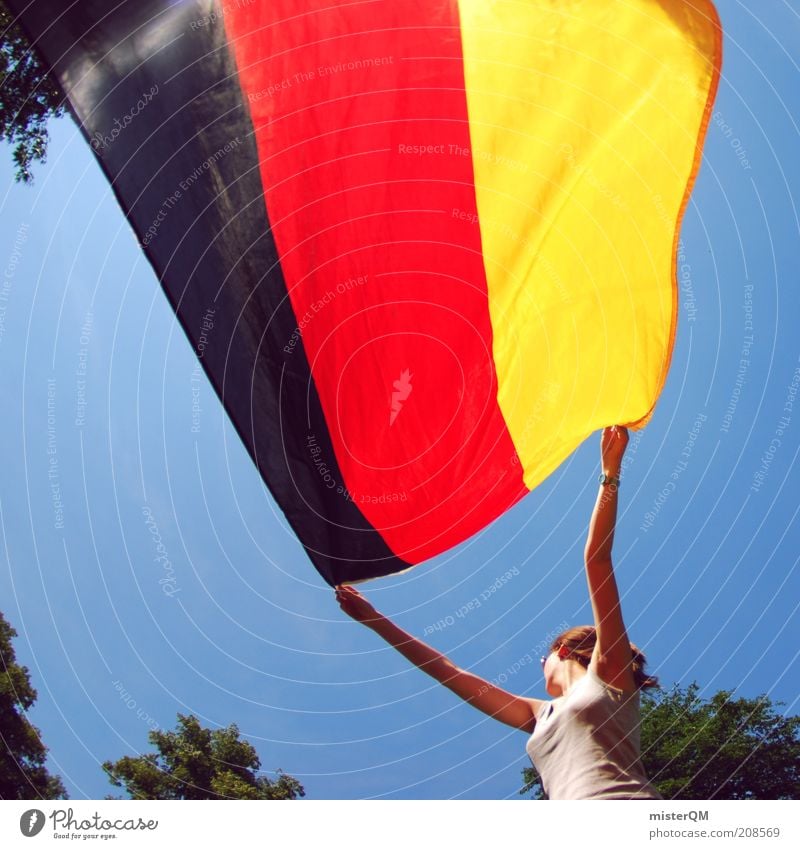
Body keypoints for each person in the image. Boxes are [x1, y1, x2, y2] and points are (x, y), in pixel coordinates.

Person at [335, 425, 661, 800]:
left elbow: (597, 559)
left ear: (567, 651)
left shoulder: (609, 673)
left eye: (544, 657)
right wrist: (374, 620)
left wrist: (609, 473)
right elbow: (449, 672)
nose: (541, 664)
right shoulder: (539, 715)